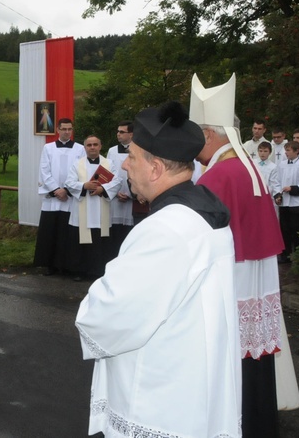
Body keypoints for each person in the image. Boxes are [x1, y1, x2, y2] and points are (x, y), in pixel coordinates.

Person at [75, 101, 240, 438]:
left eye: (132, 158)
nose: (125, 169)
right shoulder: (206, 215)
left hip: (159, 397)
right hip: (193, 385)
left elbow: (108, 314)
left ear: (154, 168)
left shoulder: (166, 229)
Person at [191, 73, 288, 438]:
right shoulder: (247, 166)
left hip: (232, 281)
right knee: (254, 357)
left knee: (230, 357)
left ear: (208, 134)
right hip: (257, 278)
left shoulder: (215, 178)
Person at [65, 135, 121, 282]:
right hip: (82, 209)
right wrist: (84, 186)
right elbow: (69, 183)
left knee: (100, 242)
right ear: (85, 147)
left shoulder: (109, 163)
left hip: (100, 209)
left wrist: (102, 189)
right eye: (89, 145)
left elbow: (117, 181)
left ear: (100, 146)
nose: (92, 147)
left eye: (95, 144)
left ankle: (98, 271)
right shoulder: (77, 164)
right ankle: (79, 271)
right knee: (80, 241)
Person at [33, 118, 85, 276]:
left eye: (70, 129)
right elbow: (44, 170)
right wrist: (56, 189)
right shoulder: (48, 148)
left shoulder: (80, 149)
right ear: (58, 129)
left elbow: (81, 172)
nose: (67, 132)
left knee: (67, 232)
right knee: (51, 231)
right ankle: (49, 265)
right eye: (64, 129)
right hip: (53, 198)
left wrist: (67, 191)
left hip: (70, 197)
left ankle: (67, 265)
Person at [276, 141, 299, 263]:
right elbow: (276, 181)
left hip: (298, 202)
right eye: (285, 150)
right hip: (284, 202)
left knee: (297, 229)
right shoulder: (281, 165)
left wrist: (293, 188)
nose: (286, 153)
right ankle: (285, 254)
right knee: (285, 229)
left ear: (297, 151)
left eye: (288, 150)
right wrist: (278, 194)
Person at [106, 121, 134, 258]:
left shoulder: (139, 150)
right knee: (114, 232)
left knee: (129, 232)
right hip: (115, 198)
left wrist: (130, 194)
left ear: (131, 134)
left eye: (122, 132)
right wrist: (115, 192)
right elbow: (106, 174)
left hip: (132, 199)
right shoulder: (112, 151)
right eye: (118, 131)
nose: (118, 134)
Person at [256, 141, 281, 217]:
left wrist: (277, 195)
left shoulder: (273, 166)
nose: (262, 153)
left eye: (265, 151)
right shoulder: (253, 163)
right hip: (254, 193)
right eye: (260, 151)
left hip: (266, 194)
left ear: (270, 152)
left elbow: (275, 182)